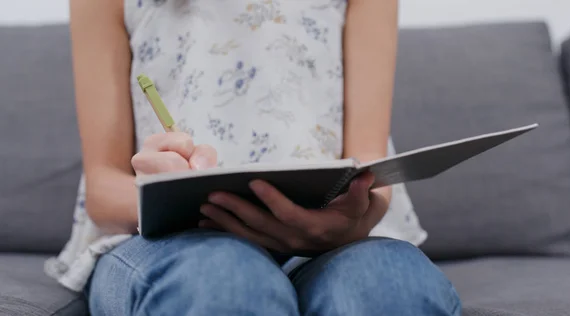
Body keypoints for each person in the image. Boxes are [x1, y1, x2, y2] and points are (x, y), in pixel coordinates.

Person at [48, 0, 461, 315]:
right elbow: (103, 189)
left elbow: (370, 161)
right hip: (166, 242)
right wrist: (164, 190)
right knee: (222, 281)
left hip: (341, 244)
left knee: (389, 285)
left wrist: (358, 214)